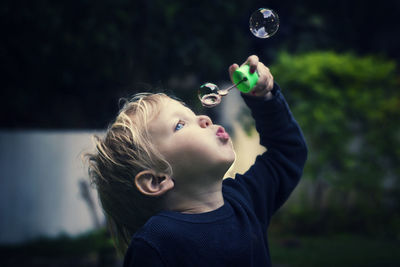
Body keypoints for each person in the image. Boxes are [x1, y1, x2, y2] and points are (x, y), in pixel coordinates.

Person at [85, 55, 308, 266]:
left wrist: (265, 99)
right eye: (180, 125)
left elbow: (288, 152)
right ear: (156, 180)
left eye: (193, 115)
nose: (204, 118)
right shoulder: (156, 242)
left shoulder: (246, 199)